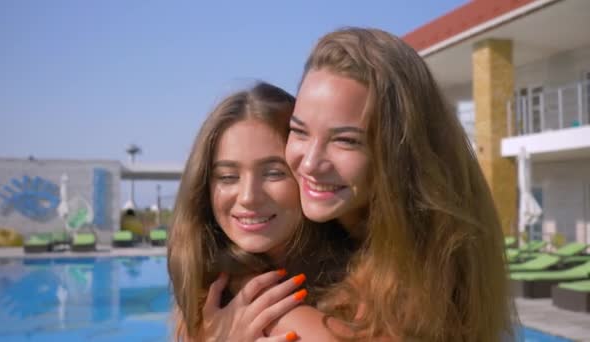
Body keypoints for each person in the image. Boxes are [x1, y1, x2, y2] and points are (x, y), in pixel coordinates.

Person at [206, 27, 515, 341]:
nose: (310, 163)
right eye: (300, 132)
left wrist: (252, 297)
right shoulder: (334, 228)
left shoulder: (426, 259)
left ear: (399, 154)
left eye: (345, 141)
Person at [167, 82, 352, 341]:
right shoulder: (211, 297)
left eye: (274, 173)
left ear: (308, 174)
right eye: (228, 176)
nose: (248, 197)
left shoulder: (366, 274)